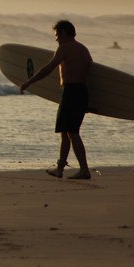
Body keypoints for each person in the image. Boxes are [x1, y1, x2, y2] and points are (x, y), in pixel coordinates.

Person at [19, 20, 93, 179]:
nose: (56, 39)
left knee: (71, 133)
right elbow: (90, 74)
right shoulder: (83, 49)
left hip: (71, 93)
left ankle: (84, 170)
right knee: (68, 132)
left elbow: (48, 68)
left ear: (65, 33)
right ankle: (60, 168)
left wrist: (29, 82)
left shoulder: (64, 48)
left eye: (57, 35)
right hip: (82, 92)